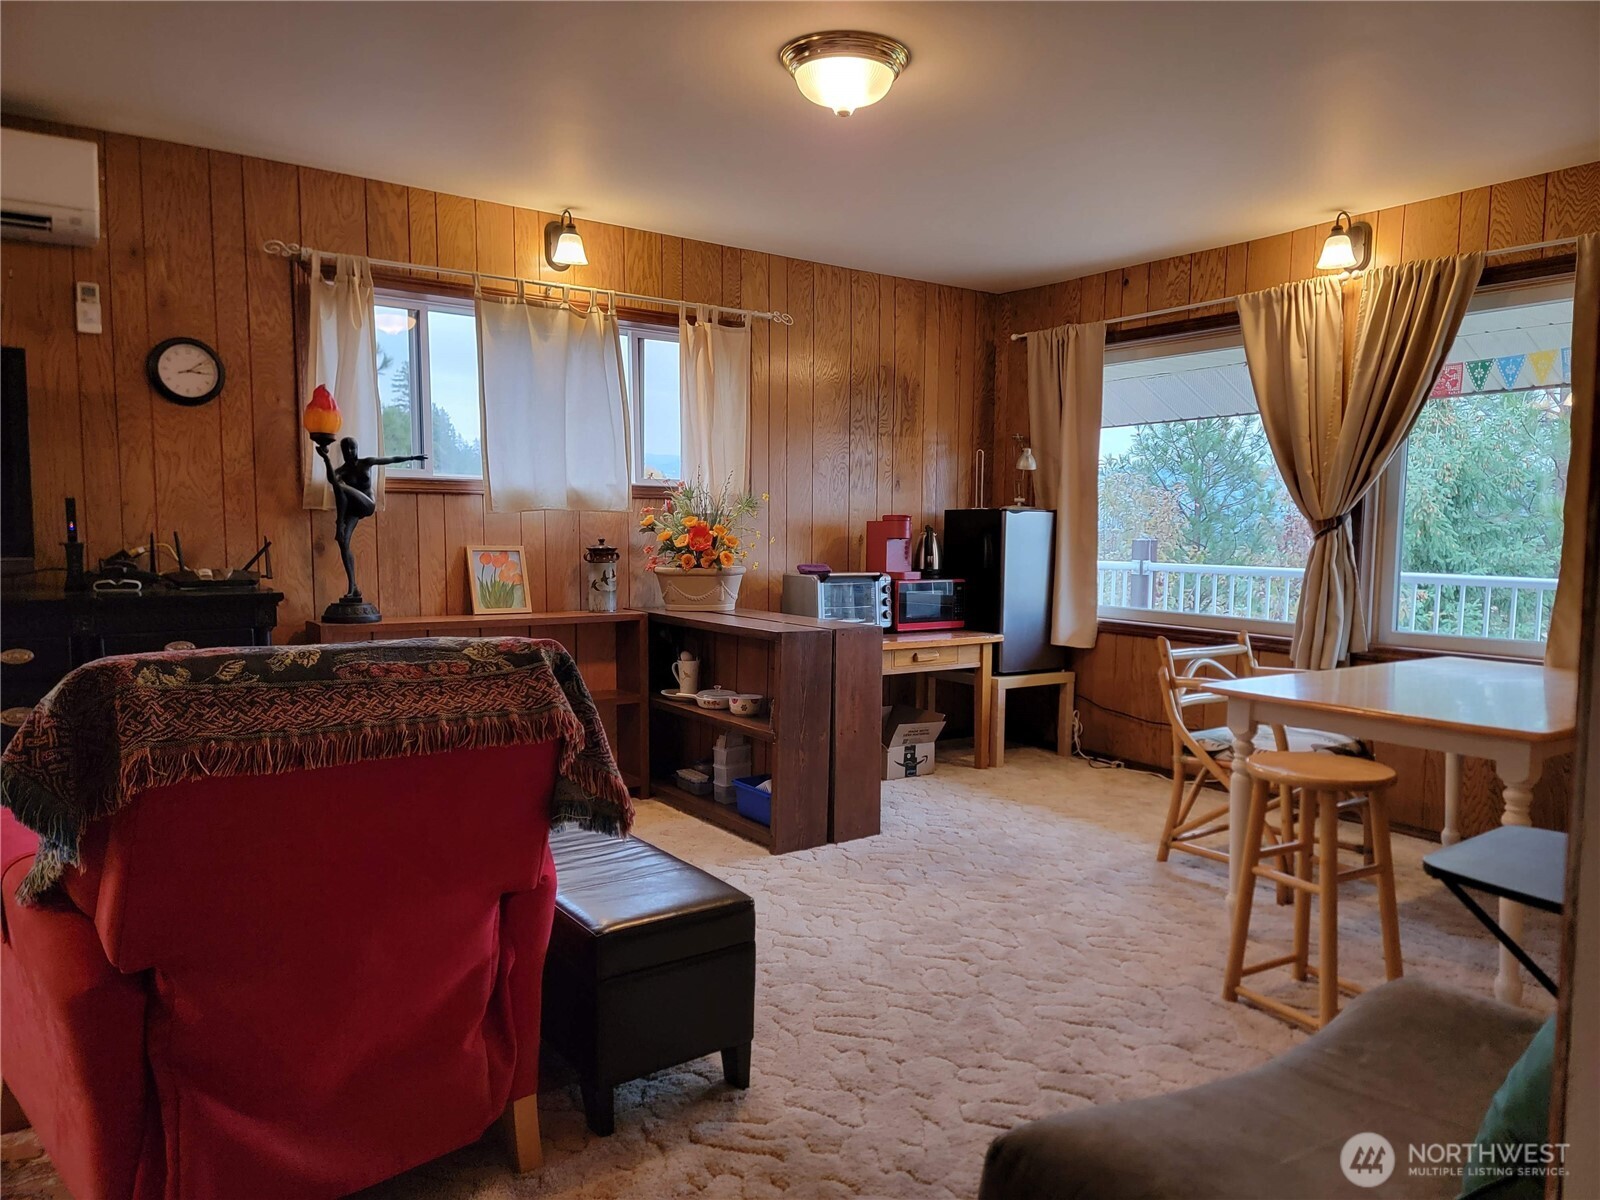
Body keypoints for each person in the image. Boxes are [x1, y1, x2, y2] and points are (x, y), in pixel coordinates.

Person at [315, 436, 426, 601]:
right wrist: (325, 458)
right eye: (346, 449)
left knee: (340, 487)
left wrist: (411, 458)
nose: (349, 452)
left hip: (367, 504)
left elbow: (391, 459)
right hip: (352, 510)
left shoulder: (366, 463)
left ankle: (339, 525)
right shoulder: (342, 470)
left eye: (352, 448)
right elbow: (332, 478)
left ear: (357, 449)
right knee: (343, 543)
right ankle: (353, 587)